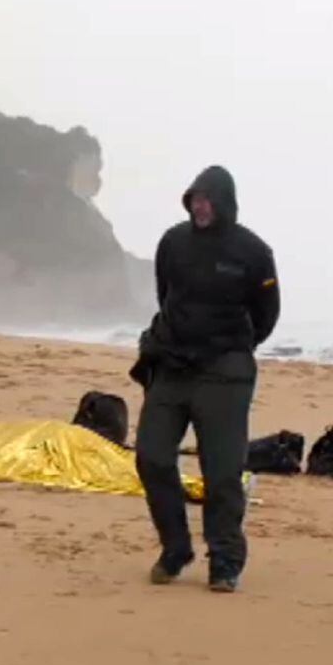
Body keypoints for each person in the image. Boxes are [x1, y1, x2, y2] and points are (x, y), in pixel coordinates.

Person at [131, 165, 279, 594]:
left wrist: (233, 345)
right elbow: (166, 294)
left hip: (225, 372)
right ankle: (175, 549)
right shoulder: (173, 242)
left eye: (207, 199)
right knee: (151, 456)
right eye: (194, 199)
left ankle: (225, 562)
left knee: (223, 472)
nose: (199, 206)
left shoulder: (253, 251)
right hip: (172, 365)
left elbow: (266, 314)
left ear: (224, 203)